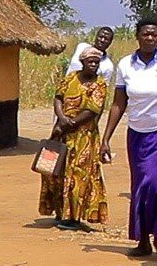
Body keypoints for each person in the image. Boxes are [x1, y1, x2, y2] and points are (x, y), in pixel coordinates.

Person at [101, 19, 157, 261]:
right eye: (145, 34)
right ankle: (143, 241)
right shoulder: (126, 64)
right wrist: (106, 137)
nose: (150, 38)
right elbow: (119, 103)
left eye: (154, 35)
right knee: (139, 187)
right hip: (136, 134)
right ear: (137, 36)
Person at [40, 47, 110, 230]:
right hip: (61, 132)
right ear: (83, 62)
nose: (93, 65)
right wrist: (62, 119)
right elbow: (58, 97)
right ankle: (60, 212)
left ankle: (74, 217)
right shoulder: (70, 78)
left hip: (84, 137)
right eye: (90, 62)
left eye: (96, 62)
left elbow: (92, 109)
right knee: (57, 172)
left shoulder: (100, 84)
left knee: (79, 174)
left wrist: (70, 123)